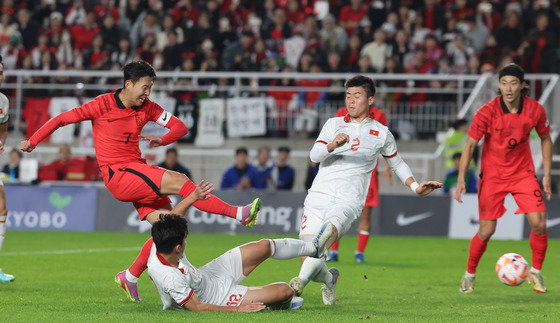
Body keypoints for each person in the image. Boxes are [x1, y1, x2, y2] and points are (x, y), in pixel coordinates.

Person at [20, 61, 262, 300]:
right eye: (144, 87)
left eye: (151, 88)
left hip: (136, 170)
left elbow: (180, 127)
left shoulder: (148, 108)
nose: (148, 93)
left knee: (169, 227)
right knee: (180, 180)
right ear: (128, 84)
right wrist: (33, 140)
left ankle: (130, 275)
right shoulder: (101, 105)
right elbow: (62, 119)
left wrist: (163, 140)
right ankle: (239, 214)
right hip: (119, 174)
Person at [289, 75, 442, 305]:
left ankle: (296, 285)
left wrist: (415, 186)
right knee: (310, 254)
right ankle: (330, 279)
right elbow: (313, 157)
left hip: (348, 200)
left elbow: (397, 162)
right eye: (348, 95)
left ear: (370, 100)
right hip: (318, 196)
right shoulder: (333, 124)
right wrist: (333, 145)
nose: (351, 101)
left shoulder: (381, 133)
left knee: (322, 240)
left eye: (357, 95)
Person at [146, 184, 333, 312]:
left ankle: (313, 248)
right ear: (178, 248)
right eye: (185, 240)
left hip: (209, 274)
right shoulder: (169, 277)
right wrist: (237, 309)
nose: (186, 242)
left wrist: (194, 197)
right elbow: (197, 307)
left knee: (264, 246)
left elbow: (173, 217)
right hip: (216, 298)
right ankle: (276, 304)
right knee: (285, 291)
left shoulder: (162, 242)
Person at [455, 63, 552, 294]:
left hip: (523, 174)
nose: (508, 88)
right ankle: (469, 274)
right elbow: (470, 145)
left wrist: (546, 175)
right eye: (504, 83)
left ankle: (536, 272)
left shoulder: (535, 110)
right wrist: (461, 178)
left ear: (523, 86)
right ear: (499, 85)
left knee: (539, 224)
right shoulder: (486, 112)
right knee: (487, 230)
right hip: (493, 176)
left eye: (514, 83)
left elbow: (546, 138)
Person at [327, 103, 393, 263]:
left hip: (368, 173)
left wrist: (387, 166)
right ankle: (333, 252)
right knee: (337, 210)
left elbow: (386, 142)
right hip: (345, 171)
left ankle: (359, 253)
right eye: (350, 94)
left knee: (366, 212)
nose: (352, 98)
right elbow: (333, 140)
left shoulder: (379, 115)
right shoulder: (341, 112)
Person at [0, 54, 14, 282]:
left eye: (1, 72)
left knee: (2, 208)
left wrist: (1, 141)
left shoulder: (3, 101)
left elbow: (3, 128)